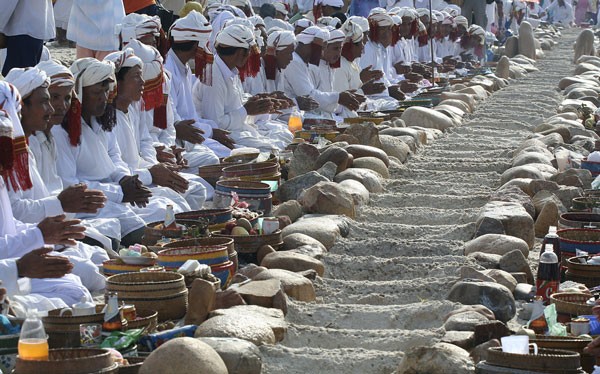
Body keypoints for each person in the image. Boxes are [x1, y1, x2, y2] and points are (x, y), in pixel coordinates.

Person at [34, 59, 146, 250]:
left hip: (96, 200)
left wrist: (123, 179)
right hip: (78, 209)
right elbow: (68, 186)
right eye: (53, 98)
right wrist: (118, 192)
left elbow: (114, 155)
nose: (59, 106)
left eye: (67, 98)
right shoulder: (56, 133)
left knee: (167, 204)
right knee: (108, 240)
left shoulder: (100, 120)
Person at [0, 80, 93, 310]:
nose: (54, 109)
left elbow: (9, 225)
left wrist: (42, 234)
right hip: (10, 268)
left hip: (15, 261)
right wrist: (21, 264)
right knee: (74, 293)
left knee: (76, 286)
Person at [103, 47, 210, 208]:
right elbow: (116, 172)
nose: (143, 82)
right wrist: (152, 174)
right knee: (173, 205)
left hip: (144, 170)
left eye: (142, 76)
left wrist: (157, 164)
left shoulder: (135, 105)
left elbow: (147, 139)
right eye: (136, 77)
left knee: (197, 189)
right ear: (118, 82)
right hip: (129, 185)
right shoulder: (105, 119)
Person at [198, 24, 294, 151]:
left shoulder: (230, 70)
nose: (250, 57)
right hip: (221, 136)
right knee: (271, 149)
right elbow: (216, 123)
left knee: (284, 136)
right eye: (249, 52)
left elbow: (234, 105)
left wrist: (259, 102)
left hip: (238, 128)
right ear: (240, 53)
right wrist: (247, 110)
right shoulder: (213, 75)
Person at [164, 11, 232, 167]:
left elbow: (191, 116)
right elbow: (178, 123)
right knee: (223, 159)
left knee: (235, 152)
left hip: (192, 136)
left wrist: (213, 130)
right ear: (196, 45)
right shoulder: (167, 70)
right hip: (179, 141)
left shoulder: (184, 67)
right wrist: (212, 132)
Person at [283, 26, 364, 120]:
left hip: (310, 113)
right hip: (291, 115)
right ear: (308, 45)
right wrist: (339, 97)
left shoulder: (303, 62)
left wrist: (342, 99)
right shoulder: (294, 61)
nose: (321, 53)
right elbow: (309, 96)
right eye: (320, 49)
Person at [0, 0, 55, 76]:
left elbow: (6, 3)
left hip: (22, 30)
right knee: (28, 75)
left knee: (18, 76)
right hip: (35, 29)